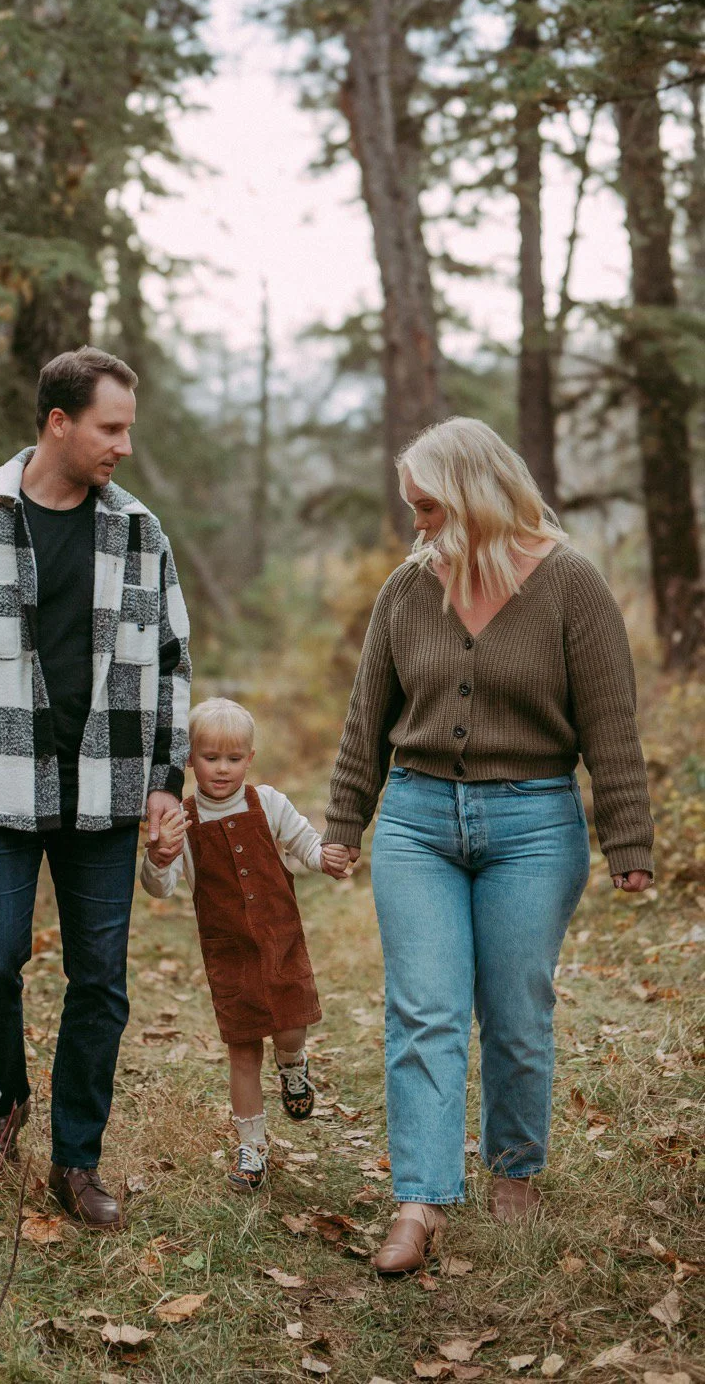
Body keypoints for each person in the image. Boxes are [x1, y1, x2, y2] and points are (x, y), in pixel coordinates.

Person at [324, 417, 654, 1274]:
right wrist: (345, 823)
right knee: (423, 1011)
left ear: (474, 495)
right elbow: (367, 718)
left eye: (428, 507)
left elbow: (610, 723)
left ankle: (514, 1174)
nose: (418, 524)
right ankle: (421, 1201)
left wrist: (628, 840)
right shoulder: (407, 589)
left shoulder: (572, 585)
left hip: (533, 824)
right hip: (417, 820)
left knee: (515, 1014)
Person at [0, 345, 191, 1230]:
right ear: (58, 423)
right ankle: (0, 1113)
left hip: (106, 793)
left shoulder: (139, 533)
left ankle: (77, 1160)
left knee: (100, 982)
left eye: (128, 429)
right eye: (111, 428)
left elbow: (172, 664)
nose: (124, 447)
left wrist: (167, 780)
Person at [141, 697, 351, 1191]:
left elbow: (304, 843)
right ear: (189, 759)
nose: (222, 768)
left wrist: (325, 858)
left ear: (250, 759)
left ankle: (293, 1064)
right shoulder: (183, 820)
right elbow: (160, 886)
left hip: (281, 941)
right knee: (243, 1050)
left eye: (233, 758)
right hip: (228, 953)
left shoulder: (268, 802)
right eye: (210, 757)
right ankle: (252, 1147)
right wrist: (158, 856)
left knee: (291, 1027)